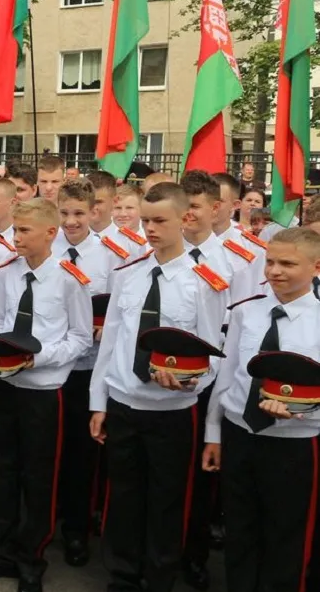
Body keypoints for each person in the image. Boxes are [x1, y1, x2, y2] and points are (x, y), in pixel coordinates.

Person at [89, 182, 229, 592]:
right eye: (146, 220)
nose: (149, 228)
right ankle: (123, 575)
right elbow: (111, 342)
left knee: (168, 500)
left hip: (171, 410)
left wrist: (188, 382)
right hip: (124, 403)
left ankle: (159, 576)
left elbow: (211, 353)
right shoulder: (129, 273)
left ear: (185, 218)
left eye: (159, 220)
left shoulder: (203, 282)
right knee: (124, 497)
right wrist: (99, 402)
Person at [0, 198, 92, 592]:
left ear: (50, 233)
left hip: (43, 389)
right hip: (5, 384)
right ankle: (0, 552)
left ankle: (31, 557)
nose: (15, 237)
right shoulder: (6, 273)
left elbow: (81, 339)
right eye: (15, 229)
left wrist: (38, 359)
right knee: (0, 470)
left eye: (24, 231)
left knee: (39, 476)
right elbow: (2, 319)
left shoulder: (70, 280)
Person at [202, 228, 320, 592]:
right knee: (240, 530)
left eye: (287, 263)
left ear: (316, 266)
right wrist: (213, 434)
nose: (275, 271)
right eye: (270, 261)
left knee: (286, 536)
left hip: (294, 443)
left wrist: (303, 411)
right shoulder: (247, 311)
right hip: (242, 434)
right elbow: (227, 376)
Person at [50, 180, 117, 568]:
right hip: (49, 367)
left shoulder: (112, 255)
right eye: (64, 213)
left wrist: (102, 325)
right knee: (46, 451)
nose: (71, 221)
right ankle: (48, 516)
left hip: (87, 369)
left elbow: (119, 310)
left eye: (79, 213)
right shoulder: (46, 249)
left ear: (94, 212)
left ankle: (76, 530)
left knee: (81, 454)